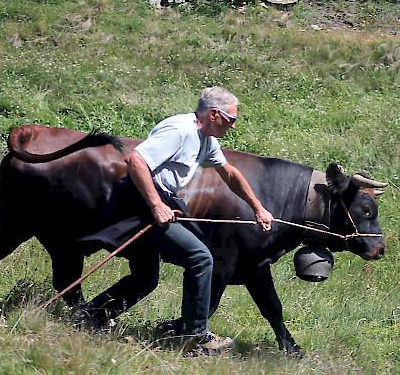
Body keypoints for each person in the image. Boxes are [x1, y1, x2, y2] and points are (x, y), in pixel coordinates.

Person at [78, 86, 273, 354]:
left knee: (146, 278)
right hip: (141, 201)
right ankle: (193, 336)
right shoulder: (180, 130)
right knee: (201, 258)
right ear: (215, 114)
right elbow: (136, 160)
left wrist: (257, 207)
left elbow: (228, 173)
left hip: (159, 200)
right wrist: (156, 205)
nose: (233, 126)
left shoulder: (206, 139)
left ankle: (90, 317)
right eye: (231, 120)